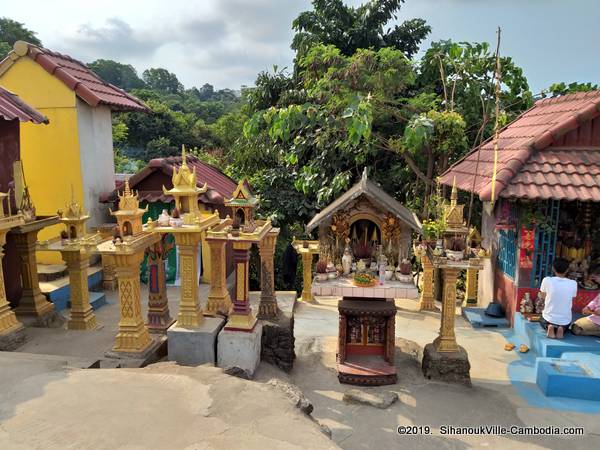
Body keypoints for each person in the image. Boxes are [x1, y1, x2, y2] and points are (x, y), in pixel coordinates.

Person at [538, 258, 577, 339]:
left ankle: (549, 326)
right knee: (565, 323)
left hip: (548, 318)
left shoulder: (547, 280)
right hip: (565, 320)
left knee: (542, 319)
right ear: (567, 270)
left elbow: (542, 296)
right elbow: (572, 297)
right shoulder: (573, 283)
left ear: (553, 269)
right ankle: (561, 328)